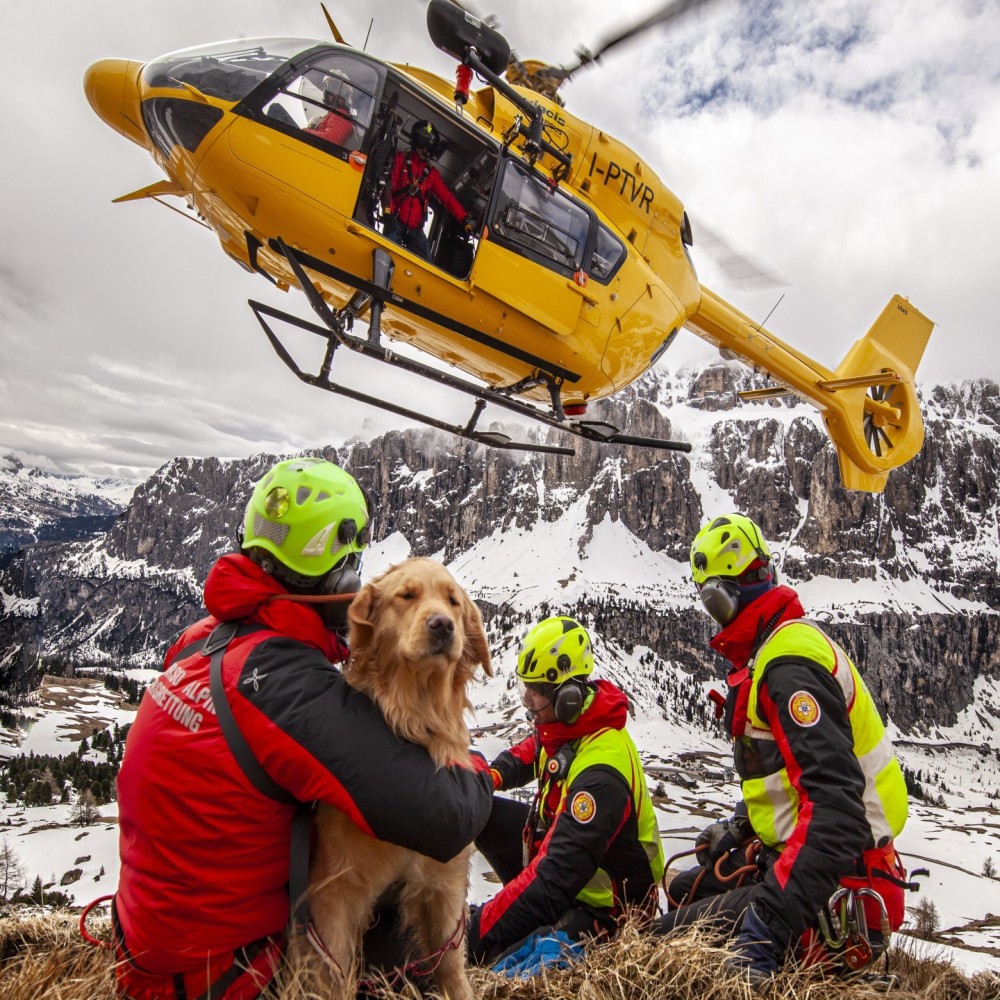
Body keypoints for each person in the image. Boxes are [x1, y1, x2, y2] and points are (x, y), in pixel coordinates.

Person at [112, 457, 494, 1000]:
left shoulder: (205, 639)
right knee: (400, 909)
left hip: (146, 956)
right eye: (354, 562)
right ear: (339, 577)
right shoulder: (287, 686)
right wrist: (479, 768)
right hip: (224, 978)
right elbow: (446, 816)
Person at [651, 513, 910, 984]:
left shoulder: (787, 666)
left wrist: (767, 925)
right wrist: (739, 826)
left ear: (721, 599)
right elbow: (792, 776)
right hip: (823, 867)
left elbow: (837, 810)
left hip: (838, 889)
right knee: (688, 888)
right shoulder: (779, 649)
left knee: (655, 947)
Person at [466, 616, 665, 970]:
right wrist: (491, 776)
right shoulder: (567, 726)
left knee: (502, 958)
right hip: (568, 878)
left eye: (536, 690)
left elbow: (554, 879)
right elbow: (532, 750)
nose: (527, 698)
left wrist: (472, 934)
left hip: (606, 911)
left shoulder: (601, 773)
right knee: (484, 811)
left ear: (567, 698)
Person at [383, 119, 474, 260]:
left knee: (427, 265)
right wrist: (387, 212)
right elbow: (388, 185)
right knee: (384, 253)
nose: (425, 150)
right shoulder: (401, 159)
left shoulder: (432, 174)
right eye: (422, 144)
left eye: (428, 147)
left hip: (416, 229)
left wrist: (464, 218)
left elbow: (447, 198)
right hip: (395, 221)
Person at [304, 73, 357, 147]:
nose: (329, 93)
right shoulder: (335, 114)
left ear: (344, 94)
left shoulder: (342, 116)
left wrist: (304, 132)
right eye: (328, 87)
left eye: (333, 88)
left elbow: (329, 140)